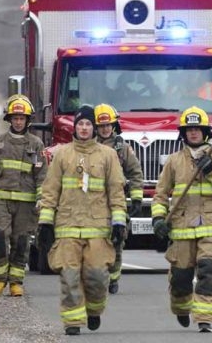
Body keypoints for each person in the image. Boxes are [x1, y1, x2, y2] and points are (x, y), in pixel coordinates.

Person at [37, 105, 127, 336]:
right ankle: (73, 322)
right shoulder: (62, 155)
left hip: (97, 227)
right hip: (67, 226)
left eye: (88, 124)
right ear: (74, 127)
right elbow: (50, 189)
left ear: (94, 127)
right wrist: (45, 223)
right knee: (69, 276)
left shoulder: (108, 156)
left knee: (96, 276)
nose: (84, 128)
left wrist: (119, 222)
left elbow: (116, 191)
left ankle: (94, 310)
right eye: (80, 124)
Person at [151, 106, 212, 333]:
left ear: (206, 132)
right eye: (189, 129)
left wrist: (211, 170)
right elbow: (160, 194)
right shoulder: (174, 161)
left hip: (211, 227)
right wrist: (158, 218)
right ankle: (181, 307)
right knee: (181, 280)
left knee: (208, 272)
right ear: (183, 133)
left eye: (198, 129)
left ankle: (205, 319)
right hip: (182, 229)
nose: (194, 133)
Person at [0, 94, 48, 297]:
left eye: (21, 118)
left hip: (26, 203)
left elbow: (42, 175)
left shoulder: (36, 145)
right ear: (9, 119)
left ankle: (16, 282)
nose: (18, 121)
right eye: (14, 118)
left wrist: (42, 198)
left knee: (21, 242)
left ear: (27, 120)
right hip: (0, 200)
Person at [94, 103, 143, 294]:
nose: (105, 129)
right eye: (102, 126)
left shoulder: (123, 149)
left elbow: (135, 172)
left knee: (117, 239)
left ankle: (113, 278)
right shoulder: (89, 147)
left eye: (108, 125)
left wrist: (137, 198)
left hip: (117, 202)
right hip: (93, 203)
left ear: (114, 126)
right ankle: (98, 276)